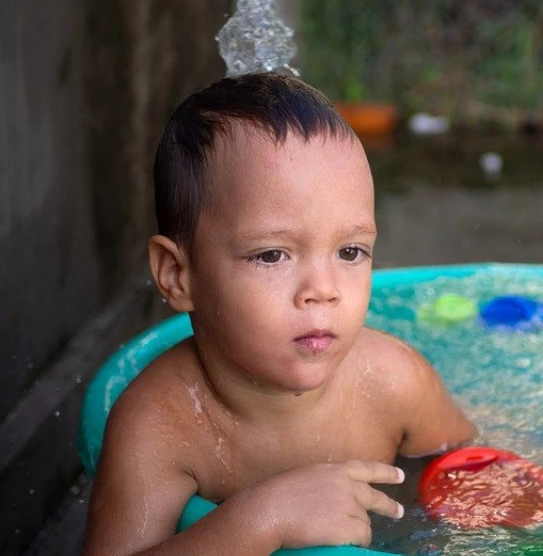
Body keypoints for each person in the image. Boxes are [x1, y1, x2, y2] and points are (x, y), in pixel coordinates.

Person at [83, 73, 475, 555]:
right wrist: (264, 518)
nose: (323, 291)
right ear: (177, 275)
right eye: (272, 256)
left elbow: (474, 473)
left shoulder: (395, 381)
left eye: (350, 252)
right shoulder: (162, 425)